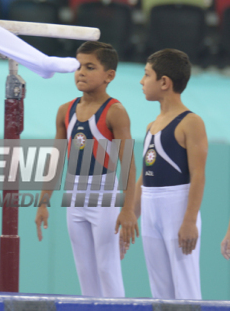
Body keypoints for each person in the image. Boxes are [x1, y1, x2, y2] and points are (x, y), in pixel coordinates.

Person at [35, 41, 138, 298]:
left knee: (107, 267)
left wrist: (128, 210)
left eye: (90, 67)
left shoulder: (115, 112)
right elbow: (56, 159)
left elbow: (128, 164)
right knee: (84, 270)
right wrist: (43, 201)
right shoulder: (65, 111)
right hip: (75, 193)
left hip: (105, 194)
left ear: (109, 76)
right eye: (79, 66)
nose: (80, 72)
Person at [135, 49, 207, 300]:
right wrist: (131, 214)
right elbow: (144, 175)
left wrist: (189, 220)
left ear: (164, 82)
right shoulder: (151, 126)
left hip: (177, 207)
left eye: (147, 75)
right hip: (150, 206)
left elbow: (198, 175)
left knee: (184, 286)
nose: (142, 81)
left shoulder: (191, 122)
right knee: (160, 290)